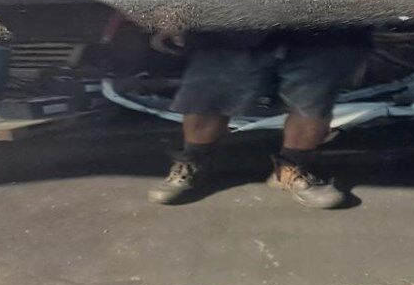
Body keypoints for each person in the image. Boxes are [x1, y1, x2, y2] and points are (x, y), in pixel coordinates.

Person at [149, 29, 371, 208]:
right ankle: (193, 162)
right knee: (207, 96)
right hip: (235, 17)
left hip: (321, 23)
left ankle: (291, 168)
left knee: (313, 101)